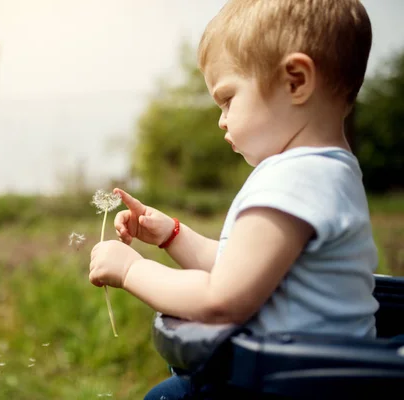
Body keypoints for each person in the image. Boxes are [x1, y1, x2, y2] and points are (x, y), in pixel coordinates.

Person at [88, 0, 379, 398]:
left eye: (227, 99)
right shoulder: (327, 172)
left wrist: (130, 270)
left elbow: (221, 300)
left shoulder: (295, 179)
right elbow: (242, 269)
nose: (222, 119)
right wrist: (172, 234)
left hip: (283, 385)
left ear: (295, 81)